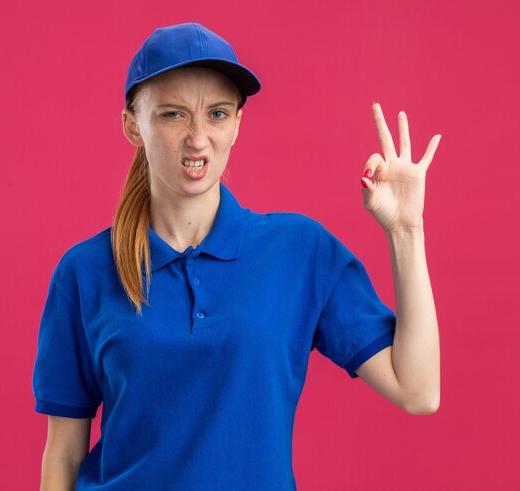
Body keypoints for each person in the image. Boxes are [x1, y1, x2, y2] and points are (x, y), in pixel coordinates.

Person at [32, 22, 441, 491]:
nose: (198, 139)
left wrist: (407, 231)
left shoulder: (299, 251)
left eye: (218, 114)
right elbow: (63, 455)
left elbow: (418, 390)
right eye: (173, 115)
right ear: (132, 124)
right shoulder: (83, 273)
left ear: (238, 124)